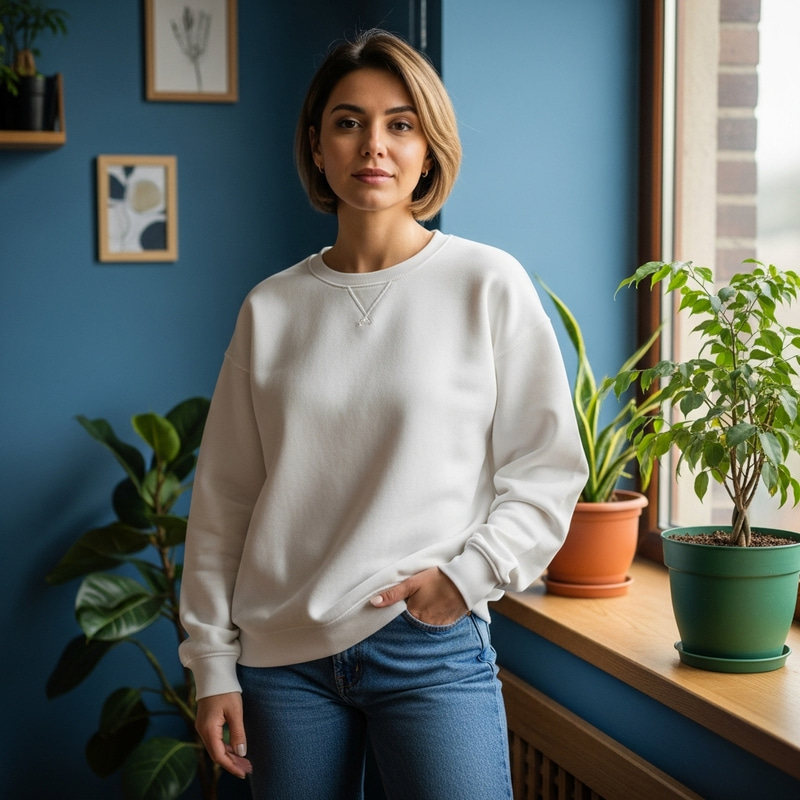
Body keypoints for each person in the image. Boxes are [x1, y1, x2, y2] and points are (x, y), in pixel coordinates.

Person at [179, 28, 588, 800]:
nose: (374, 144)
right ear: (317, 146)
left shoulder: (487, 283)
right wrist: (211, 665)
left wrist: (468, 578)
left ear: (428, 149)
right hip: (282, 662)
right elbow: (224, 503)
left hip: (428, 644)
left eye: (401, 124)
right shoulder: (271, 308)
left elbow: (547, 467)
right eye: (349, 122)